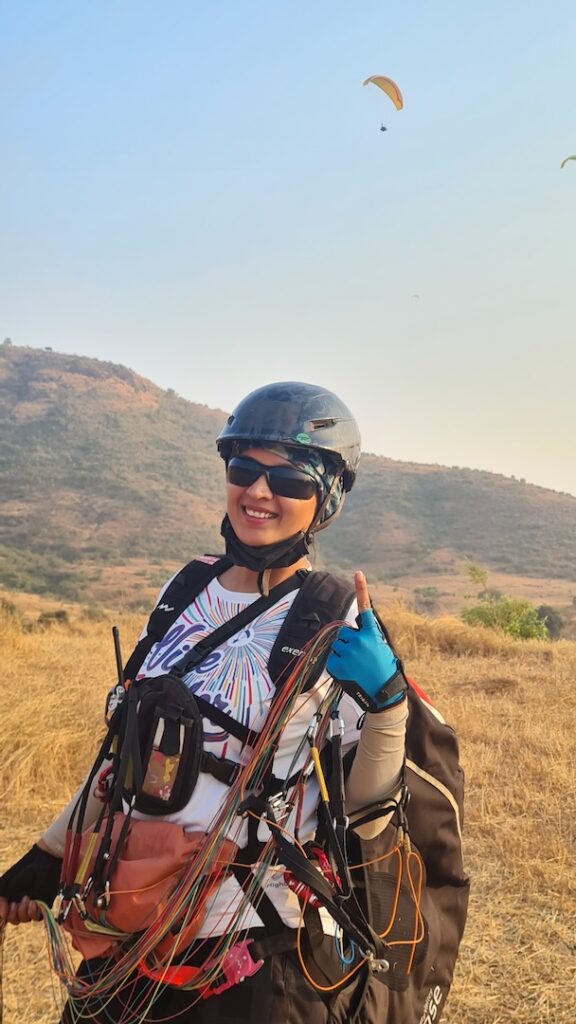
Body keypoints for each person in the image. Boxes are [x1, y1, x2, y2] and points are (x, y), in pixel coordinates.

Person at [0, 381, 412, 1023]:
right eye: (244, 469)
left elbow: (367, 817)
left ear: (325, 496)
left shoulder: (334, 615)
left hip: (243, 950)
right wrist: (49, 855)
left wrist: (387, 705)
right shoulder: (186, 586)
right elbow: (129, 750)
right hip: (132, 917)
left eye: (290, 480)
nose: (258, 492)